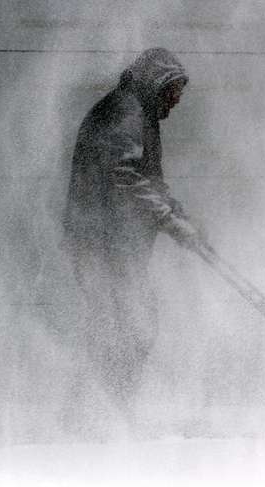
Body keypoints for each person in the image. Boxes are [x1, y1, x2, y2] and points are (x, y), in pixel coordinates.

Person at [62, 48, 193, 425]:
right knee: (127, 324)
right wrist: (170, 221)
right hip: (102, 242)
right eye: (173, 92)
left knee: (122, 325)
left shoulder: (138, 112)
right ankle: (102, 414)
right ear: (157, 85)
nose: (176, 102)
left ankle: (97, 412)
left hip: (109, 243)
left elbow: (148, 179)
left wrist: (176, 213)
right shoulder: (127, 112)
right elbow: (126, 177)